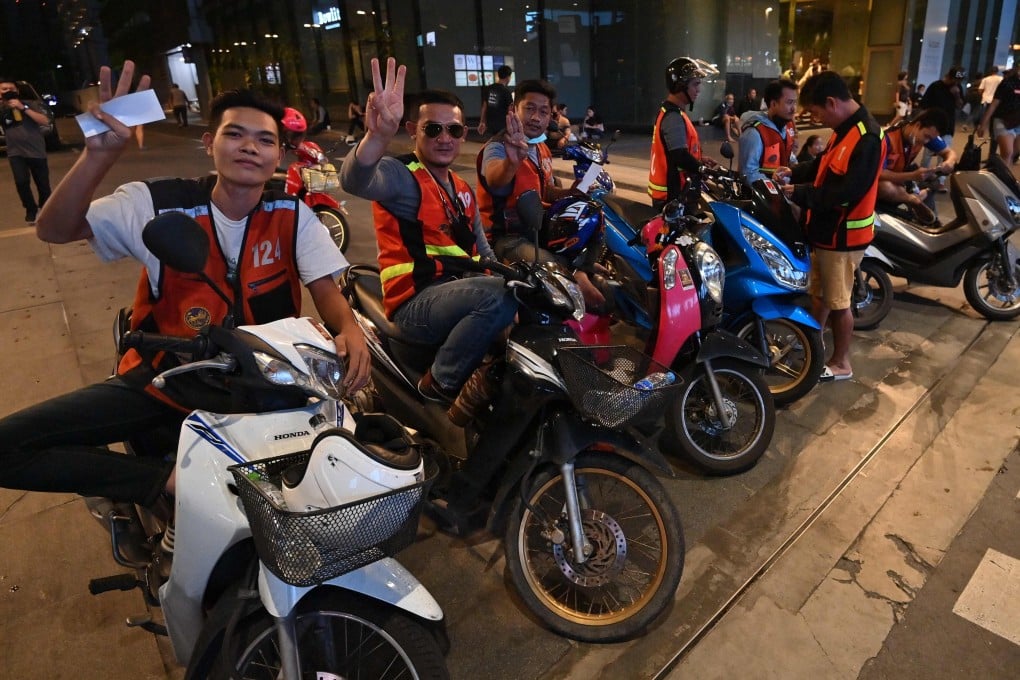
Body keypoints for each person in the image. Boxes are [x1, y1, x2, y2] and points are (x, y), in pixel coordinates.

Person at [0, 60, 370, 513]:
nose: (250, 147)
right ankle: (160, 482)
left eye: (265, 140)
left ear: (279, 156)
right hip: (168, 381)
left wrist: (348, 327)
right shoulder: (157, 203)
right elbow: (54, 230)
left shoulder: (293, 214)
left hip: (267, 385)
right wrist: (97, 155)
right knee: (8, 445)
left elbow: (325, 288)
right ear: (208, 142)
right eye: (235, 134)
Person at [340, 57, 517, 422]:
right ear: (412, 130)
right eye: (433, 129)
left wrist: (520, 273)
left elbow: (481, 252)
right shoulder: (402, 176)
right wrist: (376, 137)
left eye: (453, 130)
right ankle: (438, 383)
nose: (444, 138)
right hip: (415, 302)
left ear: (464, 135)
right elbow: (356, 181)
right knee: (499, 295)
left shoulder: (462, 189)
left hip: (455, 292)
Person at [775, 70, 886, 382]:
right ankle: (813, 343)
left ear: (832, 102)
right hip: (827, 232)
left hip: (844, 236)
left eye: (817, 112)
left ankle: (841, 363)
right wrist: (793, 172)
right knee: (822, 295)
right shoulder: (846, 129)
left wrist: (800, 192)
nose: (818, 118)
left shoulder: (867, 137)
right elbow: (825, 166)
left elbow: (847, 192)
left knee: (838, 304)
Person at [476, 79, 606, 309]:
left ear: (550, 117)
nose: (536, 117)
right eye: (529, 108)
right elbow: (495, 179)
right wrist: (512, 162)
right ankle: (574, 274)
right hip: (507, 237)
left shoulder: (541, 148)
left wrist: (570, 191)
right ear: (513, 110)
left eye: (543, 111)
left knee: (594, 215)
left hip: (539, 227)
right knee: (552, 269)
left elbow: (544, 190)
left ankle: (582, 269)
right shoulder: (496, 147)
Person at [648, 56, 718, 211]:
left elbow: (675, 151)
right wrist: (702, 169)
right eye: (695, 84)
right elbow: (679, 155)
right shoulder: (673, 117)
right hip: (674, 197)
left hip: (676, 194)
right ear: (680, 85)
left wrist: (700, 159)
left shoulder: (674, 112)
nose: (698, 90)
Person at [878, 108, 956, 225]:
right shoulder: (886, 139)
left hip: (903, 180)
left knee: (931, 182)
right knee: (884, 187)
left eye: (930, 139)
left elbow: (950, 153)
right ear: (917, 125)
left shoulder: (925, 135)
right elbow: (879, 173)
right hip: (882, 181)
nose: (926, 141)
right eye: (926, 137)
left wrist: (949, 162)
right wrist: (912, 176)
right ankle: (912, 199)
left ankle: (931, 225)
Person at [0, 77, 52, 224]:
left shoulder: (30, 104)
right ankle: (30, 209)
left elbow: (44, 121)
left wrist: (23, 108)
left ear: (17, 90)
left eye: (11, 89)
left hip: (36, 151)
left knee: (43, 185)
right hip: (15, 153)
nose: (8, 91)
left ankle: (45, 208)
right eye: (4, 89)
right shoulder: (2, 110)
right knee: (21, 182)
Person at [738, 78, 799, 184]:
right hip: (762, 197)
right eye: (789, 103)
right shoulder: (754, 133)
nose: (794, 109)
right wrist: (774, 184)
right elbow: (748, 173)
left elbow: (789, 157)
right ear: (773, 104)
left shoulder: (787, 127)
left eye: (795, 103)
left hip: (784, 193)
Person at [977, 67, 1020, 163]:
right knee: (1008, 153)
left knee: (1014, 154)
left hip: (1017, 122)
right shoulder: (1007, 83)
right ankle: (1002, 176)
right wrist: (983, 125)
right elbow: (994, 104)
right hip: (1003, 120)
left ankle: (999, 172)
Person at [478, 65, 513, 138]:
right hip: (502, 126)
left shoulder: (488, 88)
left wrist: (482, 122)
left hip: (490, 125)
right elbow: (510, 110)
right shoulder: (506, 92)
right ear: (508, 77)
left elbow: (484, 106)